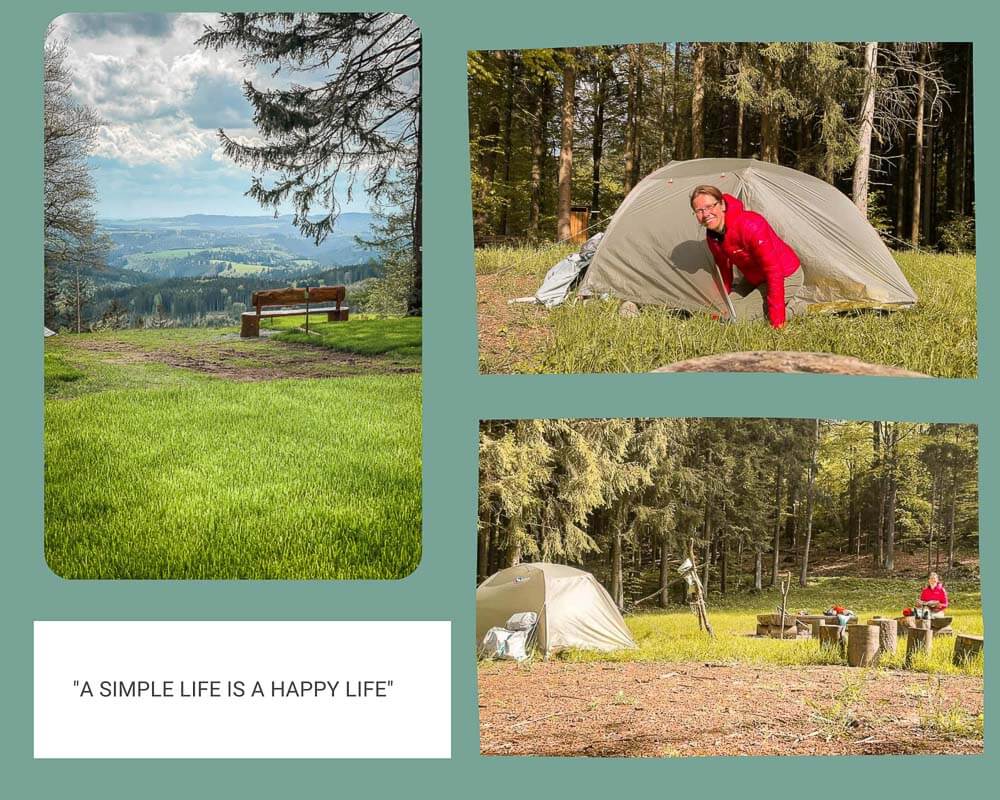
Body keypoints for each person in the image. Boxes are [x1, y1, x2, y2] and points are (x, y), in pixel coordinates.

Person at [690, 185, 806, 328]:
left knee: (737, 320)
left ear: (722, 205)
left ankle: (797, 308)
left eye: (709, 206)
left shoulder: (751, 225)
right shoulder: (712, 237)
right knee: (722, 313)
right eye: (699, 210)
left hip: (785, 275)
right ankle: (744, 311)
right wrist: (719, 306)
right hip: (754, 277)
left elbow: (774, 271)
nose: (705, 214)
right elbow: (724, 273)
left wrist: (777, 322)